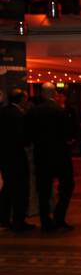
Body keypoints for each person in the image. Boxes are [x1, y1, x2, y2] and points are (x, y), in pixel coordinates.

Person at [27, 83, 75, 232]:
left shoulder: (33, 112)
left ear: (42, 94)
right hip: (61, 157)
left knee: (43, 190)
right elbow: (68, 135)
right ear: (54, 93)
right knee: (67, 186)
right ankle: (59, 218)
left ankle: (45, 222)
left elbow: (28, 136)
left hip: (41, 156)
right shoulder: (60, 111)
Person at [0, 88, 35, 232]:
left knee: (7, 188)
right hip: (16, 157)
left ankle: (3, 219)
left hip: (4, 157)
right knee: (20, 189)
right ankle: (18, 221)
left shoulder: (2, 112)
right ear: (21, 99)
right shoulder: (19, 115)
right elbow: (24, 138)